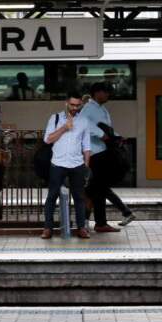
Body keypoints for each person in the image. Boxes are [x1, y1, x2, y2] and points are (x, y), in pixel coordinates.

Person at [79, 83, 135, 232]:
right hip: (96, 153)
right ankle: (96, 222)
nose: (108, 95)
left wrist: (117, 136)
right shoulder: (89, 108)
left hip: (103, 153)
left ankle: (91, 221)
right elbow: (83, 124)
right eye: (106, 92)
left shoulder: (101, 109)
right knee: (98, 188)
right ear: (97, 93)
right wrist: (101, 134)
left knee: (97, 188)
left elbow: (107, 128)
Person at [41, 92, 92, 239]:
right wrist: (64, 128)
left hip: (77, 164)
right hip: (58, 163)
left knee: (79, 197)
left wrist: (86, 166)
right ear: (66, 103)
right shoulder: (55, 118)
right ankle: (48, 228)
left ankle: (81, 228)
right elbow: (47, 140)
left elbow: (86, 145)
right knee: (52, 196)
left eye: (77, 105)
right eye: (72, 105)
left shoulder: (83, 121)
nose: (75, 108)